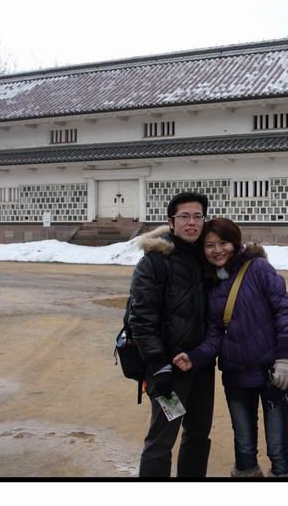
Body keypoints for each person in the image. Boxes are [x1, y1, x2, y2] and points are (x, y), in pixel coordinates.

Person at [172, 218, 288, 477]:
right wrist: (194, 357)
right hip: (236, 376)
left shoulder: (259, 269)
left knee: (278, 447)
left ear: (235, 242)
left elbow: (284, 312)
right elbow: (215, 334)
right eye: (209, 245)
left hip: (273, 373)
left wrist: (285, 358)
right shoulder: (211, 285)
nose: (217, 250)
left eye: (223, 243)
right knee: (243, 448)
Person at [127, 192, 215, 477]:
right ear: (171, 222)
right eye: (184, 217)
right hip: (168, 370)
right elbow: (141, 319)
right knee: (162, 440)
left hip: (201, 366)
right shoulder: (154, 262)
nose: (192, 223)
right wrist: (157, 365)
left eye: (198, 216)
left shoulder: (206, 259)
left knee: (198, 435)